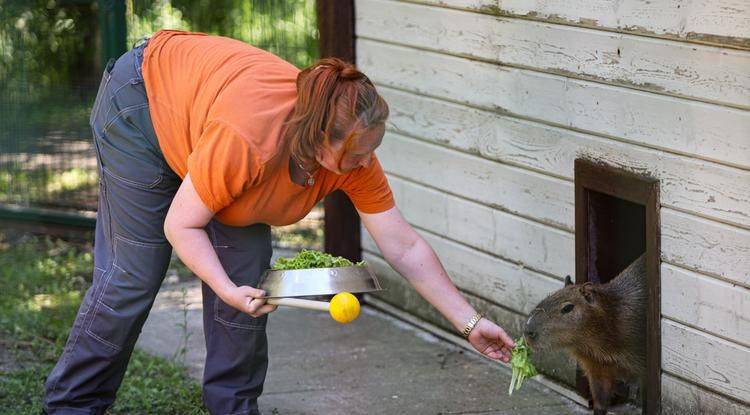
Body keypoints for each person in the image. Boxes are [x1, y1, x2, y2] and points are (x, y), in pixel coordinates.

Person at [43, 30, 516, 415]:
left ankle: (232, 409)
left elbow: (404, 247)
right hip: (144, 102)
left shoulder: (355, 156)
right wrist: (224, 289)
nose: (367, 161)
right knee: (134, 275)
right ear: (318, 139)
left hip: (206, 123)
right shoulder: (251, 140)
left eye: (372, 148)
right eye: (356, 153)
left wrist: (468, 321)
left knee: (248, 282)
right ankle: (71, 407)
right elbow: (181, 225)